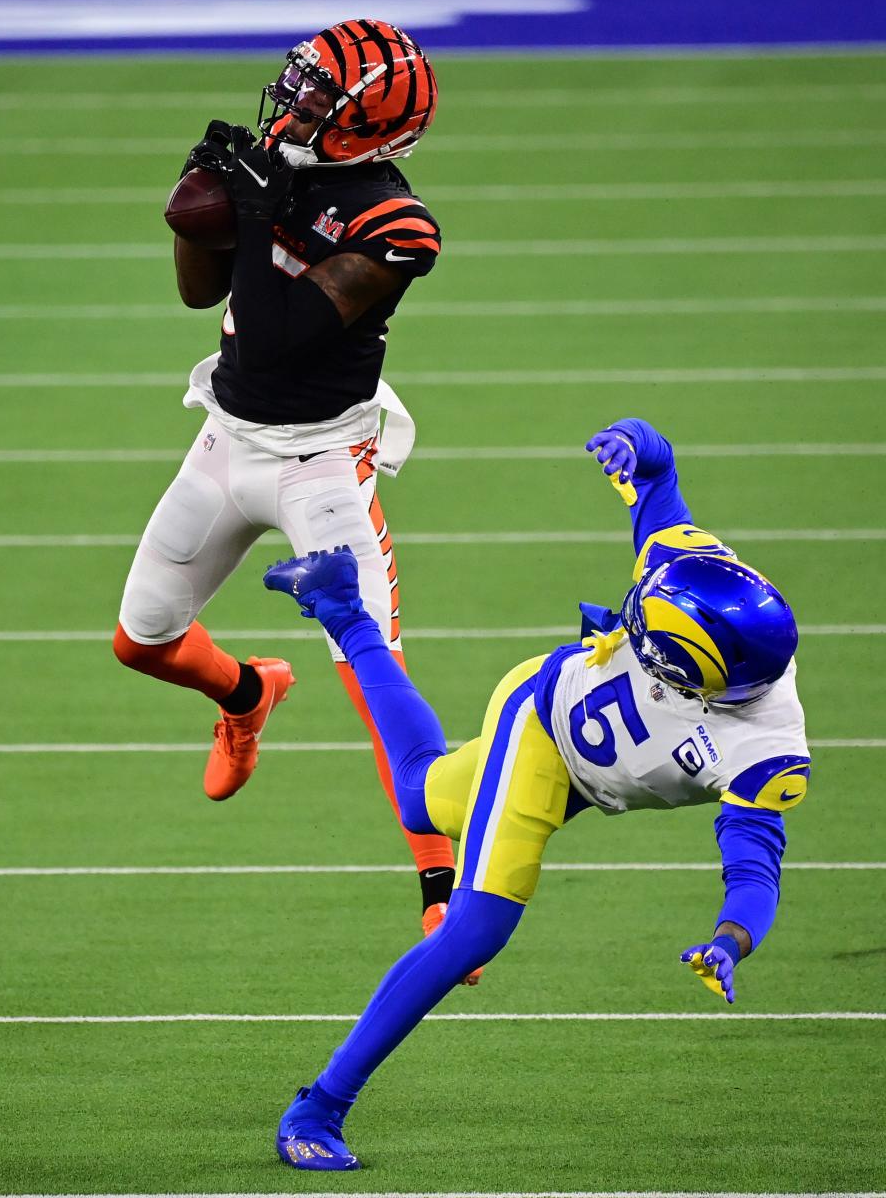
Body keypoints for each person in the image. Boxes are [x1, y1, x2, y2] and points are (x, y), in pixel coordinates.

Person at [263, 416, 809, 1171]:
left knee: (421, 795)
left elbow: (754, 867)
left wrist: (731, 937)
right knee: (475, 930)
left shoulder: (766, 750)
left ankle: (343, 610)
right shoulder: (696, 573)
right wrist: (644, 445)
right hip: (544, 726)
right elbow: (658, 488)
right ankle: (317, 1109)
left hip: (590, 759)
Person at [112, 20, 463, 939]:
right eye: (299, 85)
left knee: (371, 675)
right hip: (226, 442)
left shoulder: (397, 223)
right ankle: (246, 694)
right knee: (142, 641)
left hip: (322, 466)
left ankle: (444, 888)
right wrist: (192, 209)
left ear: (369, 123)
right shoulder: (278, 159)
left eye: (321, 96)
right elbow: (201, 294)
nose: (296, 103)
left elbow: (282, 334)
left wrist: (263, 211)